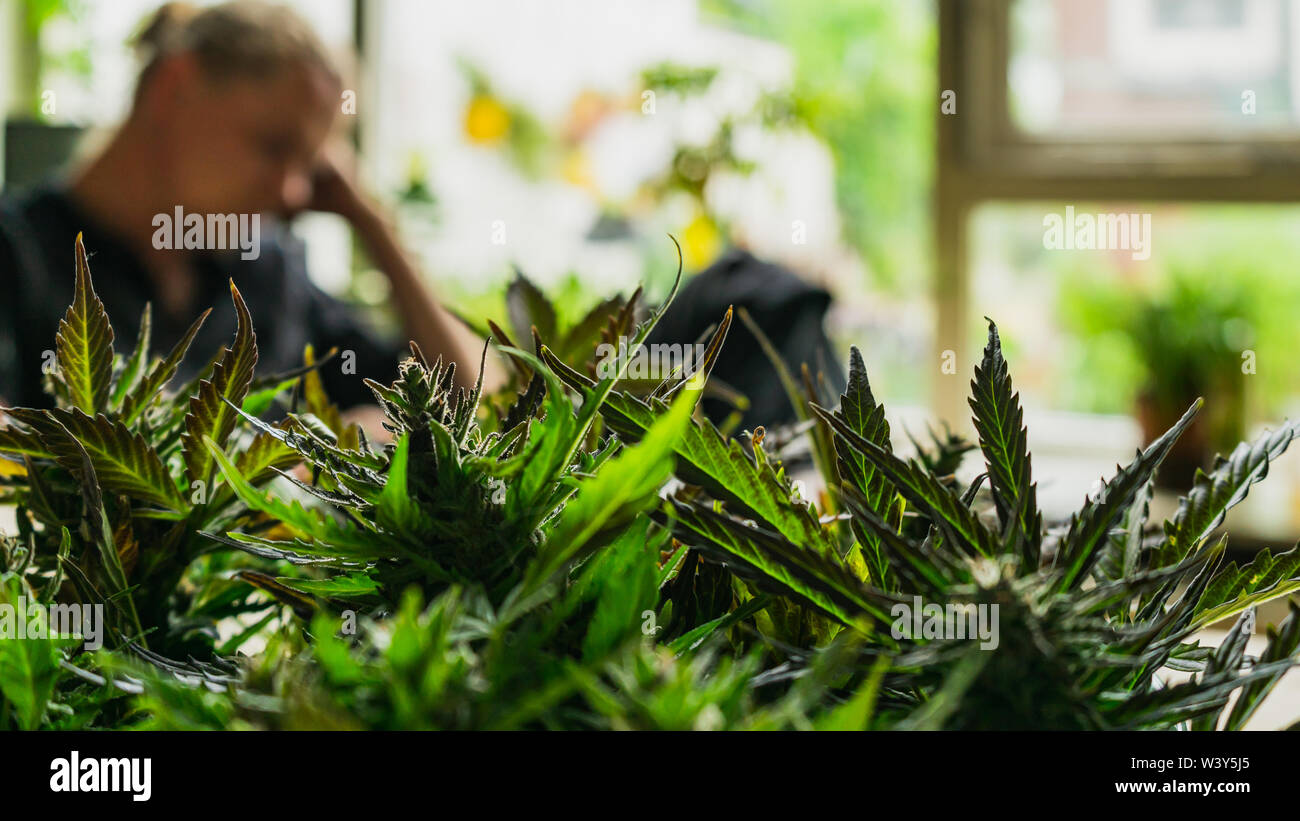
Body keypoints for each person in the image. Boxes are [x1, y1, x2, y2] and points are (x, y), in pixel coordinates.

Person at [0, 1, 485, 415]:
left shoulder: (267, 274)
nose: (294, 194)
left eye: (311, 164)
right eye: (274, 146)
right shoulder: (18, 256)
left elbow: (465, 405)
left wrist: (370, 220)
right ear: (174, 86)